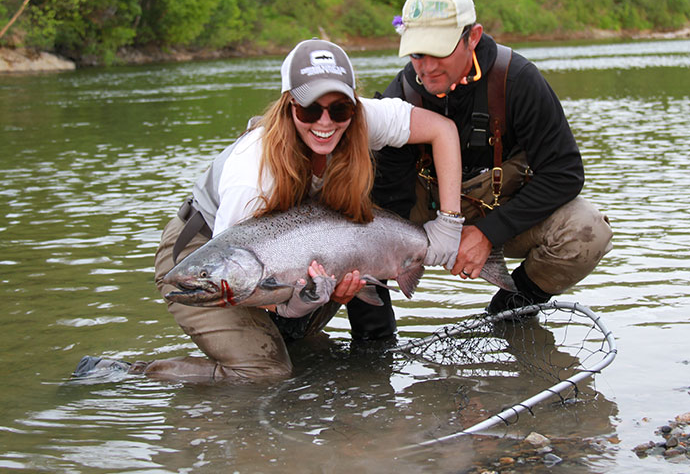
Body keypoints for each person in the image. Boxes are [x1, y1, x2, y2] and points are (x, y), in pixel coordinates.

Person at [74, 39, 464, 381]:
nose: (325, 122)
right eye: (309, 110)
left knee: (304, 351)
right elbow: (241, 280)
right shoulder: (251, 173)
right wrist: (295, 303)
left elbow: (443, 131)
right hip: (205, 255)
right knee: (266, 372)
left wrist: (448, 223)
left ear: (352, 106)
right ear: (287, 105)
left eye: (339, 108)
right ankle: (129, 372)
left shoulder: (359, 117)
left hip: (295, 247)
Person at [372, 0, 613, 313]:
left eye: (439, 50)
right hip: (423, 218)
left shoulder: (519, 81)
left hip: (504, 210)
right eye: (416, 53)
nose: (426, 68)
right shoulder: (401, 95)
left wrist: (488, 233)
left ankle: (513, 308)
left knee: (587, 230)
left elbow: (564, 173)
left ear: (473, 37)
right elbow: (387, 206)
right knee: (356, 221)